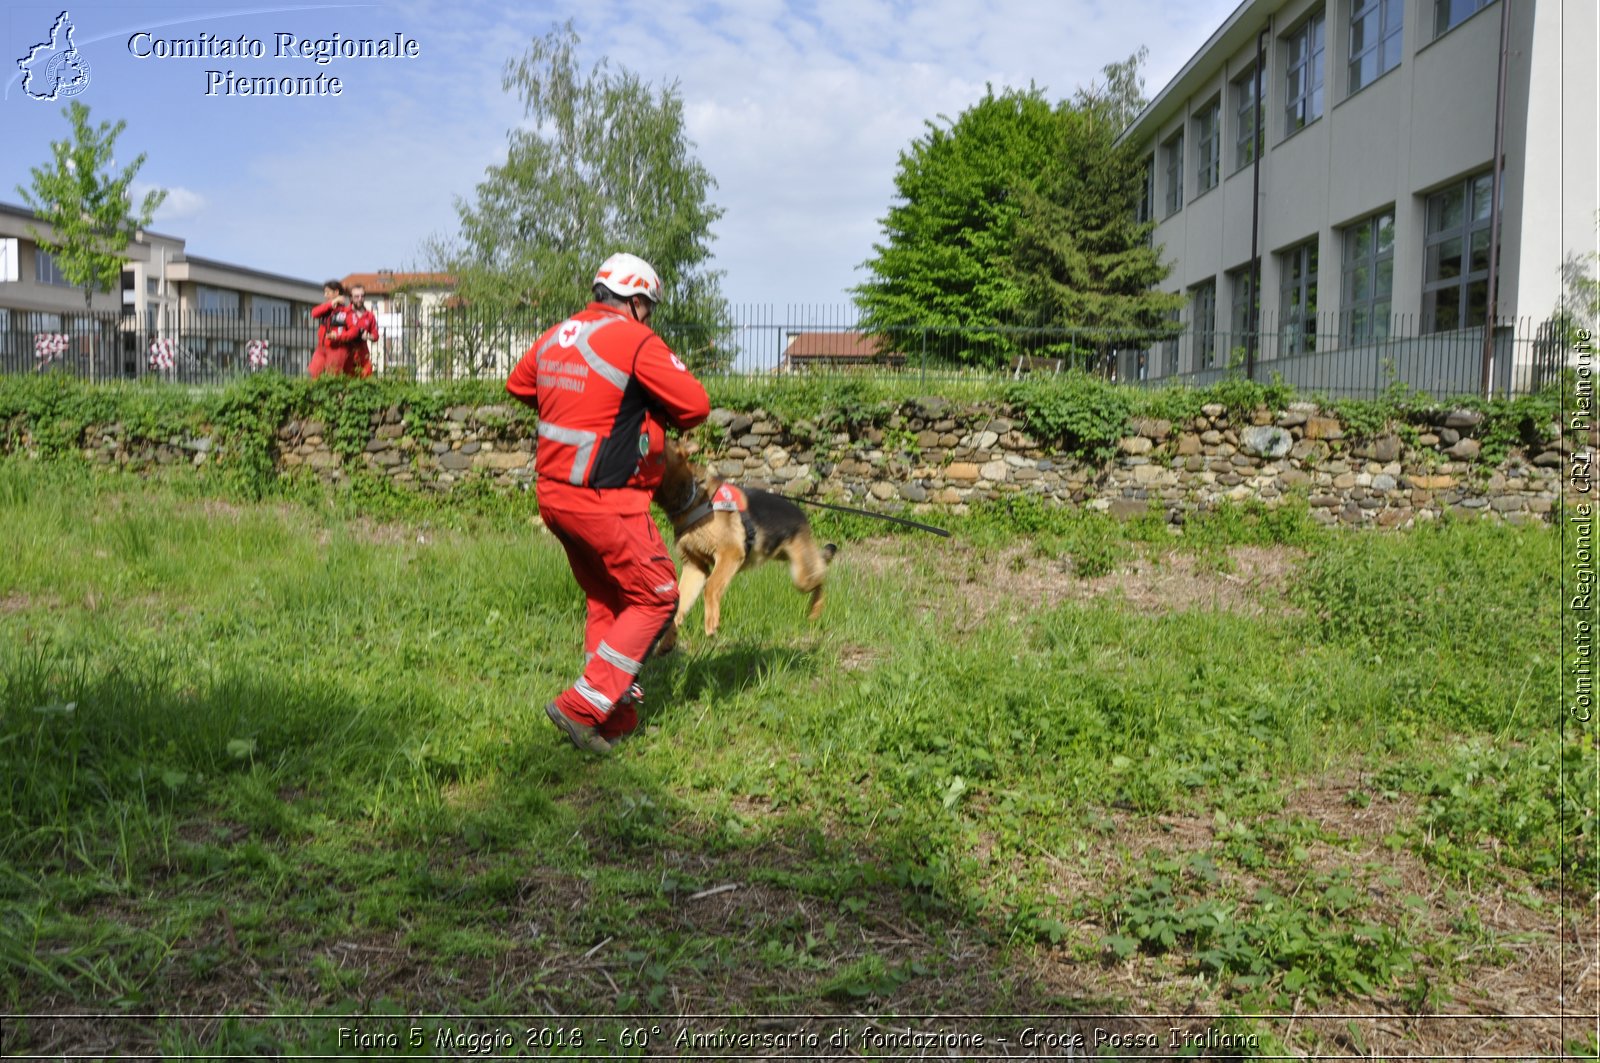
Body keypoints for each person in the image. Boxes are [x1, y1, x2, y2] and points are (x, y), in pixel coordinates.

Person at [505, 252, 710, 755]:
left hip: (555, 496)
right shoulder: (636, 339)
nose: (650, 316)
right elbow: (695, 406)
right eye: (650, 307)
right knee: (659, 595)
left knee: (610, 600)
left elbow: (519, 384)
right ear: (637, 301)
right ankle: (580, 706)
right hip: (605, 499)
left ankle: (612, 715)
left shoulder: (559, 334)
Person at [308, 280, 351, 379]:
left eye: (328, 292)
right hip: (321, 348)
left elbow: (350, 330)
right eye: (325, 292)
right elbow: (314, 313)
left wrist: (338, 336)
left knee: (332, 377)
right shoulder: (326, 308)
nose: (325, 295)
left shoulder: (346, 311)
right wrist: (332, 303)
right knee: (313, 373)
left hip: (337, 349)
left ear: (336, 292)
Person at [344, 283, 378, 378]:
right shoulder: (345, 313)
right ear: (350, 298)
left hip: (363, 354)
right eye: (356, 296)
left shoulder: (370, 315)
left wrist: (368, 336)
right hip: (347, 354)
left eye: (362, 296)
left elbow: (375, 336)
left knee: (366, 382)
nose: (360, 299)